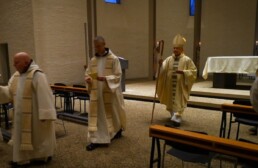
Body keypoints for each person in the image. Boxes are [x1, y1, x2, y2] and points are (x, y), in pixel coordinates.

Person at [0, 52, 56, 166]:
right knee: (23, 137)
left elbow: (45, 95)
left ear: (26, 62)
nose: (14, 65)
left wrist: (45, 114)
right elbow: (9, 92)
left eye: (16, 63)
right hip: (21, 116)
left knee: (38, 137)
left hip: (36, 116)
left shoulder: (37, 75)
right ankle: (22, 158)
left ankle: (41, 157)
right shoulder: (16, 76)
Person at [85, 36, 126, 151]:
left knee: (112, 113)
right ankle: (97, 139)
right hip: (96, 93)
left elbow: (118, 75)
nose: (97, 49)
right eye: (95, 47)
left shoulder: (113, 59)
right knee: (99, 116)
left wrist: (106, 79)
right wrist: (88, 79)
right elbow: (87, 73)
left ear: (104, 44)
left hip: (110, 91)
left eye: (99, 46)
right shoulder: (93, 60)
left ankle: (116, 130)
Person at [157, 34, 197, 127]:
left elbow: (193, 71)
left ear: (182, 49)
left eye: (177, 48)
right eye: (174, 48)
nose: (175, 50)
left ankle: (177, 119)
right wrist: (160, 65)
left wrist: (184, 72)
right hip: (170, 85)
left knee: (179, 101)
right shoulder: (168, 59)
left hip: (180, 85)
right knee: (171, 101)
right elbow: (163, 69)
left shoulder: (187, 60)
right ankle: (173, 117)